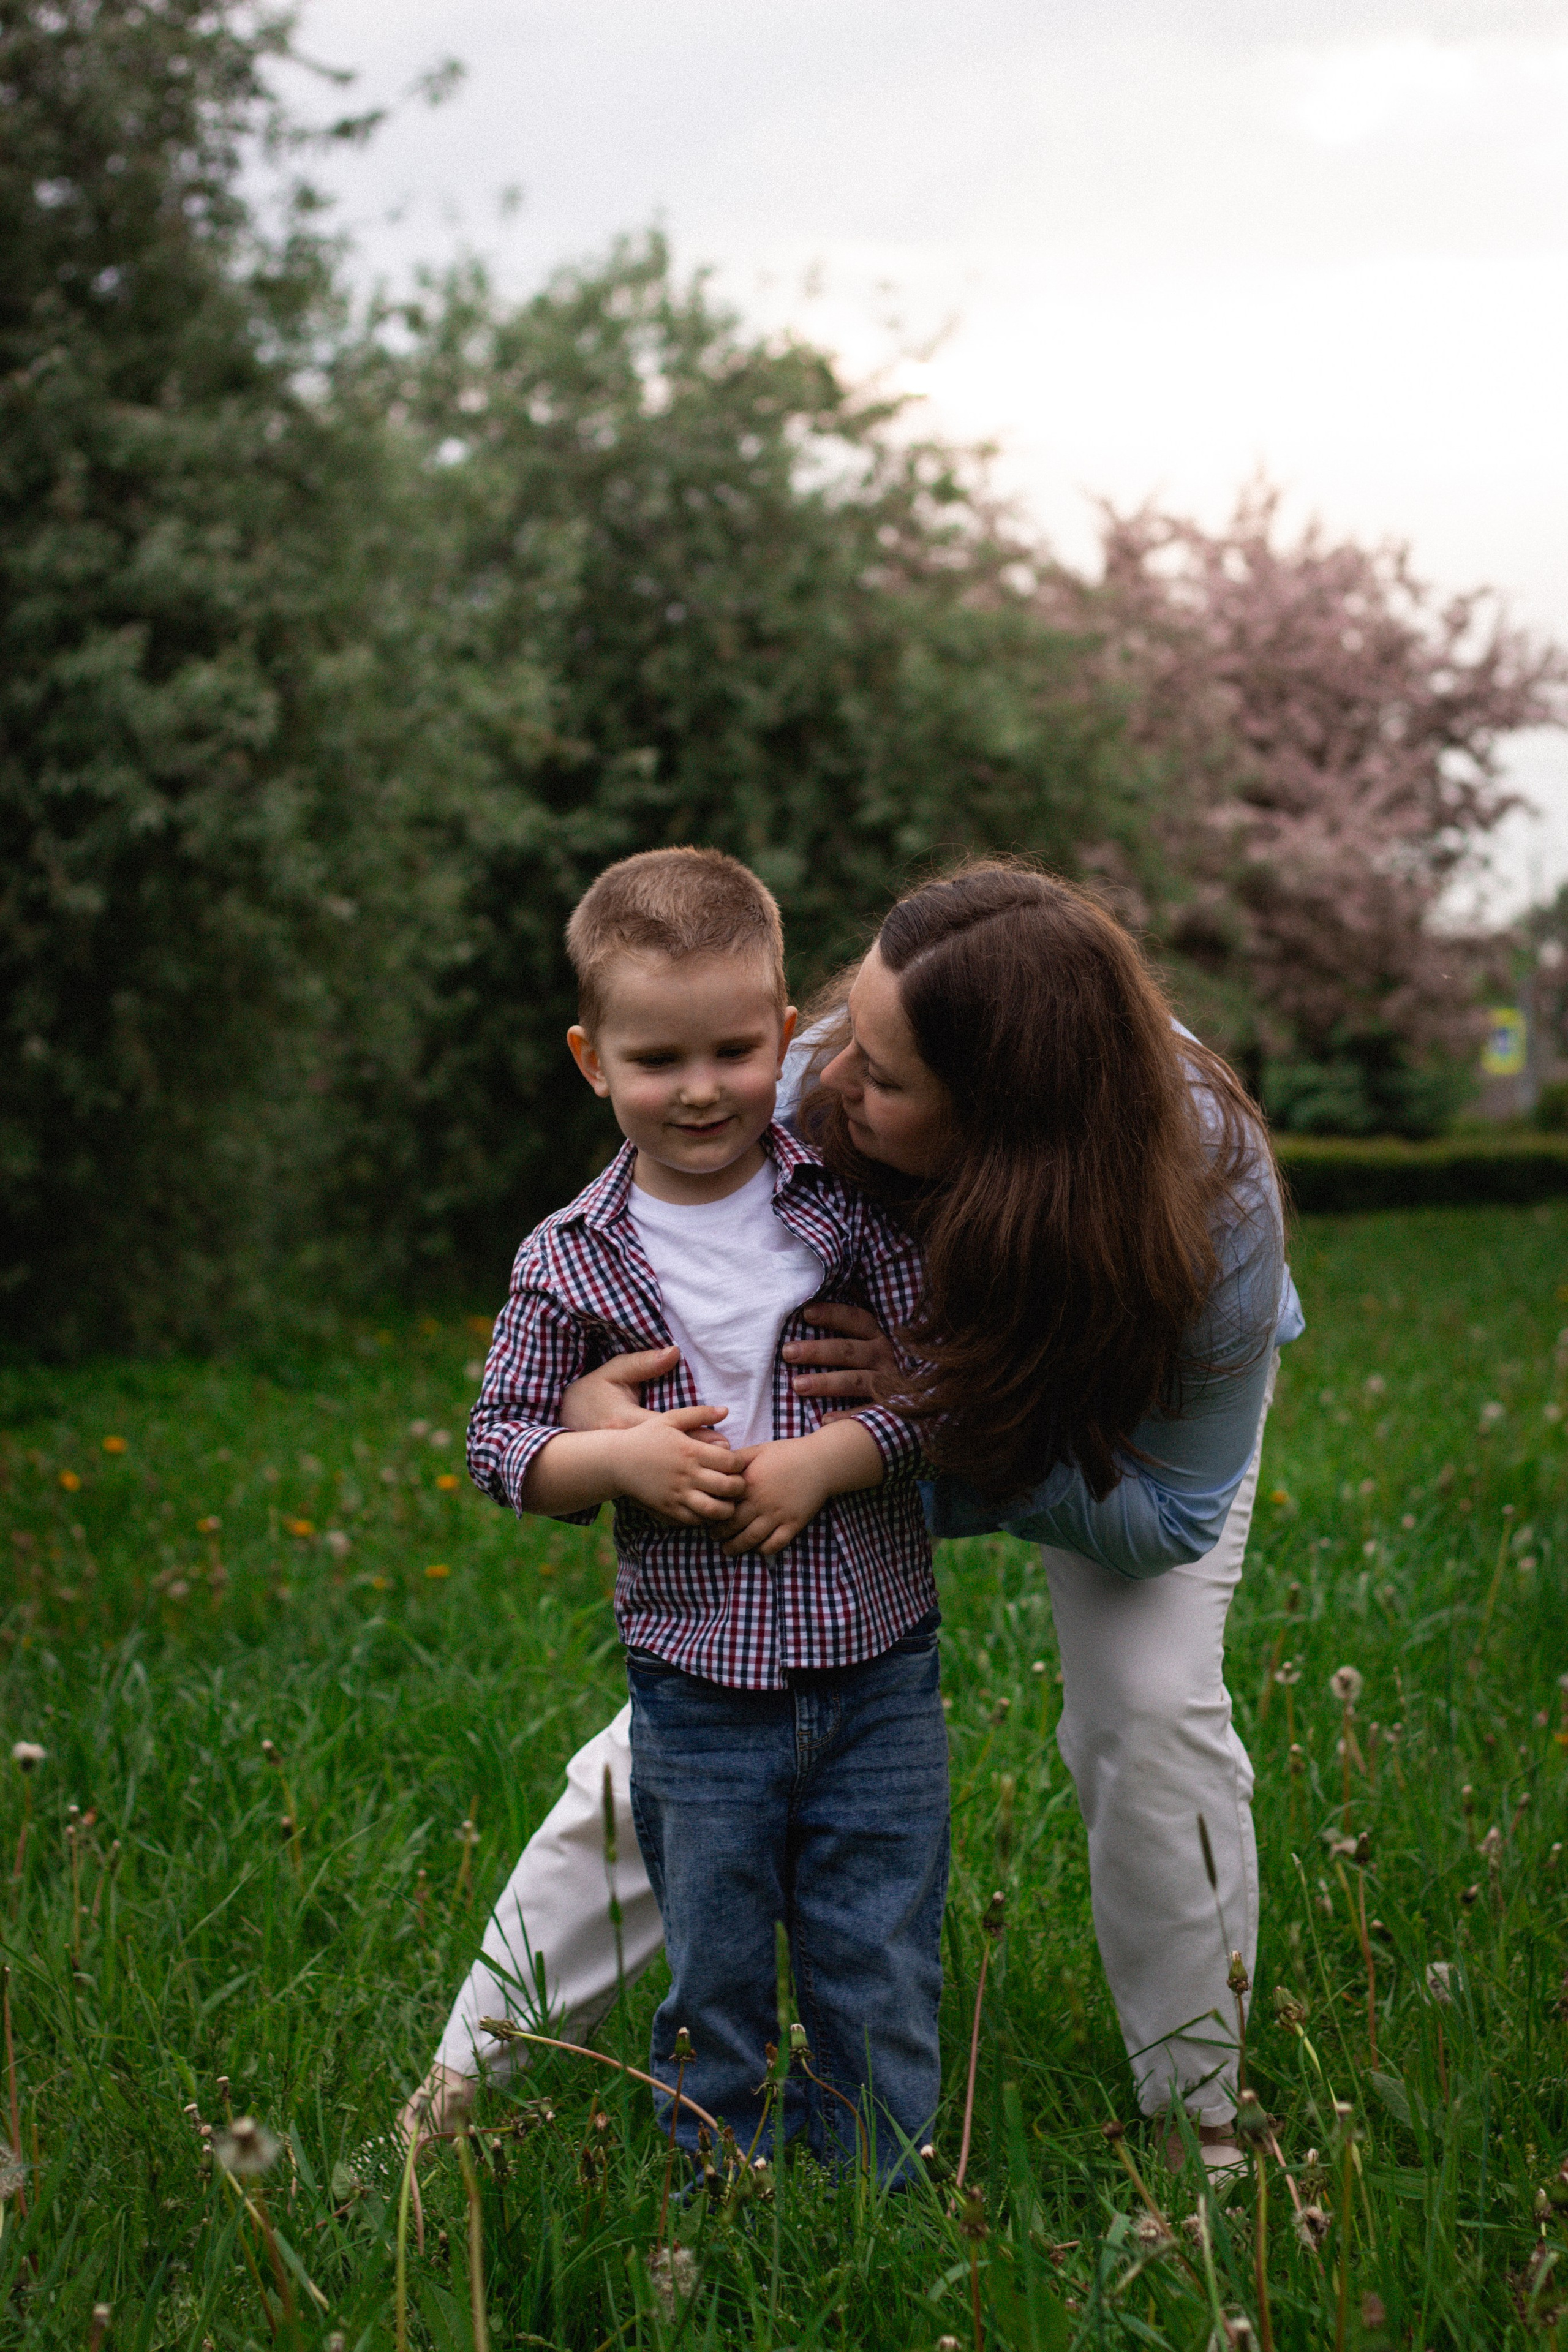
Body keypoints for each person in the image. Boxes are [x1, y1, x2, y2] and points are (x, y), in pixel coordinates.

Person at [407, 860, 1302, 2179]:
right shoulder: (813, 1072)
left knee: (1150, 1705)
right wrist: (601, 1411)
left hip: (1102, 1433)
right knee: (691, 1726)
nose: (816, 1088)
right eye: (836, 1042)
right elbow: (657, 1258)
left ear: (999, 1124)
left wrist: (920, 1435)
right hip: (856, 1426)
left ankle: (1201, 2114)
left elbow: (1166, 1519)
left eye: (879, 1081)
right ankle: (457, 2087)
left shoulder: (1210, 1197)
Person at [458, 845, 950, 2174]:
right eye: (655, 1061)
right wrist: (611, 1463)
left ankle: (872, 2198)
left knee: (879, 1952)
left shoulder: (845, 1208)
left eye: (735, 1052)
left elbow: (941, 1395)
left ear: (786, 1037)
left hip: (878, 1669)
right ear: (590, 1059)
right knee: (712, 1966)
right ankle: (710, 2198)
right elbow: (499, 1444)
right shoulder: (569, 1257)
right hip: (695, 1686)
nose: (698, 1092)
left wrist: (837, 1454)